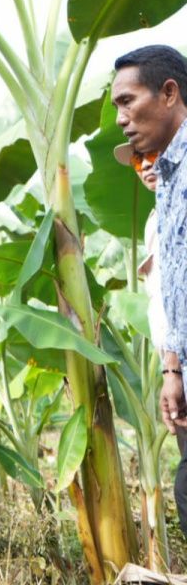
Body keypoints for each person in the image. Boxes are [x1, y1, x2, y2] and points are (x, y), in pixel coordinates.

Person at [111, 45, 187, 437]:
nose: (121, 120)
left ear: (169, 93)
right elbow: (176, 285)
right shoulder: (169, 180)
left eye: (127, 102)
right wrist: (173, 368)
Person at [115, 140, 187, 533]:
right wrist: (168, 372)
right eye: (137, 162)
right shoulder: (152, 223)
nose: (144, 166)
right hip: (176, 368)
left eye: (151, 156)